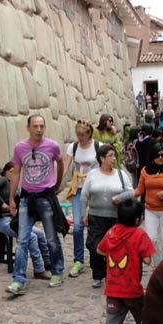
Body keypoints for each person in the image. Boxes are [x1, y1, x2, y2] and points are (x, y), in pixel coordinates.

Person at [6, 115, 67, 295]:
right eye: (36, 126)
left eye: (42, 126)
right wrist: (11, 198)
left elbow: (60, 162)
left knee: (51, 238)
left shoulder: (52, 146)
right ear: (28, 128)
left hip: (45, 196)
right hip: (26, 197)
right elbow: (16, 172)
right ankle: (19, 279)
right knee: (23, 239)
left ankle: (57, 271)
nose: (39, 129)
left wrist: (57, 184)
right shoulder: (20, 148)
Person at [97, 199, 155, 324]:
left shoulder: (111, 232)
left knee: (112, 320)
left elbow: (100, 250)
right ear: (137, 220)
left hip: (113, 289)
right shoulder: (139, 234)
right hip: (132, 290)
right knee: (145, 321)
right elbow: (148, 260)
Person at [80, 144, 135, 288]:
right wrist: (82, 214)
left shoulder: (121, 175)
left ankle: (113, 273)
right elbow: (84, 196)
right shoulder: (92, 174)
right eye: (110, 156)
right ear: (102, 158)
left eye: (114, 155)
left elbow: (131, 192)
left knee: (115, 247)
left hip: (115, 217)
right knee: (94, 246)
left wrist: (120, 197)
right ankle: (98, 274)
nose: (113, 158)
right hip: (95, 216)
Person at [0, 162, 51, 280]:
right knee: (31, 237)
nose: (13, 174)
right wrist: (2, 204)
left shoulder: (14, 185)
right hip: (4, 221)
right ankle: (39, 269)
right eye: (10, 171)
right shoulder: (2, 180)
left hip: (15, 220)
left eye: (15, 172)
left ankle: (48, 263)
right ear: (5, 172)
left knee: (40, 234)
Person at [64, 119, 100, 278]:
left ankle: (98, 257)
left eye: (82, 135)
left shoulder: (97, 146)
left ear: (89, 133)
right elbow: (66, 165)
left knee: (95, 225)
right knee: (78, 225)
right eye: (78, 134)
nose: (80, 138)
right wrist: (56, 181)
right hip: (78, 189)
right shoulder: (73, 146)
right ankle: (78, 260)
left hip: (95, 189)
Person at [134, 125, 154, 190]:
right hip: (150, 165)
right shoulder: (152, 141)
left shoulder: (137, 142)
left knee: (141, 185)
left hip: (140, 165)